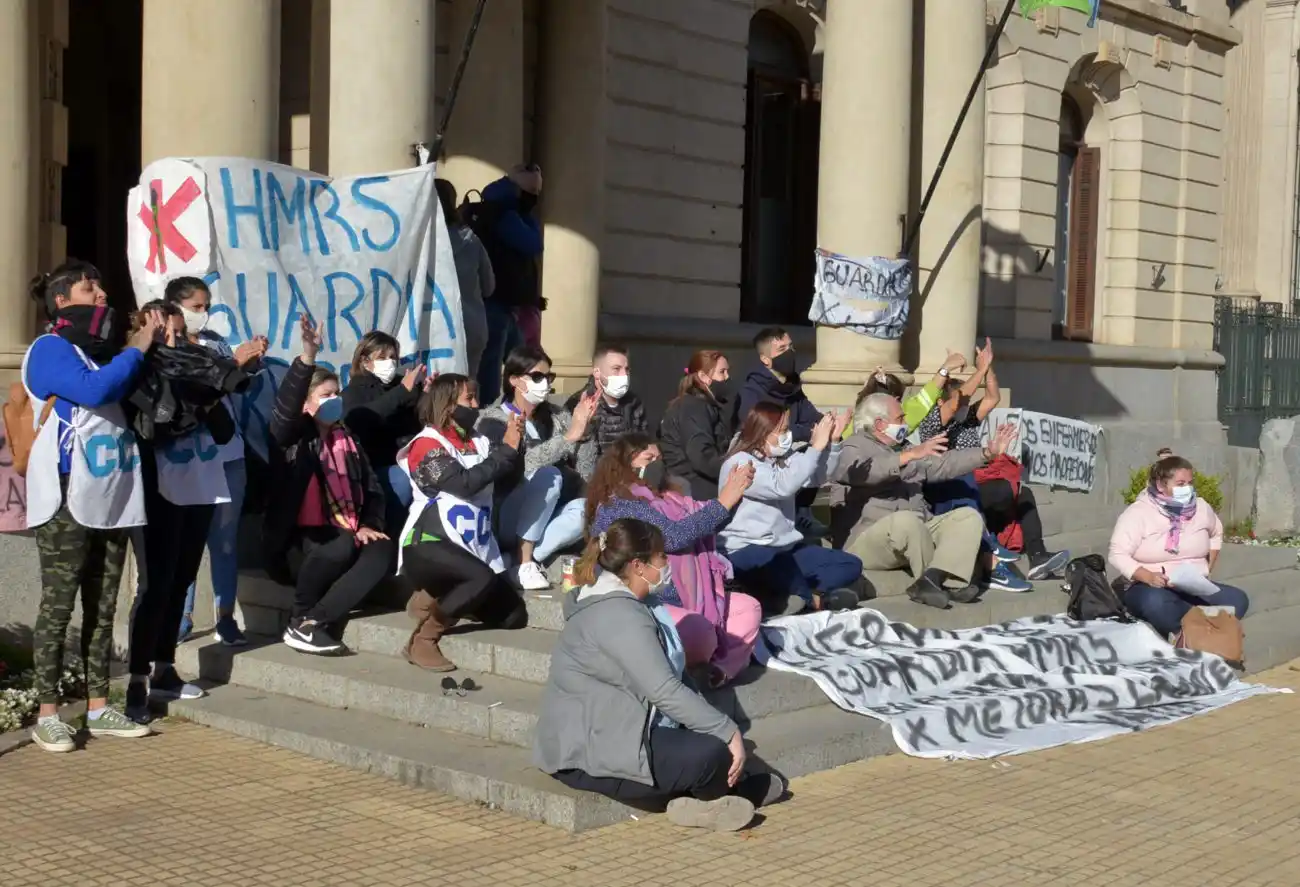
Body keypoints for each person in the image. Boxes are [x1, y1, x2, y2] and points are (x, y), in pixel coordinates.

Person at [533, 518, 784, 831]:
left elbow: (677, 677)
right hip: (584, 755)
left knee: (706, 741)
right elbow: (664, 689)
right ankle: (726, 796)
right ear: (638, 566)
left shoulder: (641, 603)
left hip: (620, 732)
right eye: (662, 558)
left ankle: (696, 803)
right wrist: (728, 731)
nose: (668, 565)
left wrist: (713, 726)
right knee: (712, 753)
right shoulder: (618, 614)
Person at [23, 261, 158, 751]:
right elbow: (94, 390)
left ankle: (100, 707)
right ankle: (48, 713)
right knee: (58, 608)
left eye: (99, 285)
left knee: (102, 610)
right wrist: (136, 349)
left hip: (112, 496)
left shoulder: (101, 352)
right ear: (62, 299)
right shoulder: (50, 349)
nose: (101, 293)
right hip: (66, 496)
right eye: (88, 286)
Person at [126, 300, 251, 723]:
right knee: (154, 585)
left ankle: (165, 668)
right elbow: (159, 422)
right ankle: (137, 680)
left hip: (201, 484)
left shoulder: (201, 371)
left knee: (181, 581)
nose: (176, 342)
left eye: (180, 334)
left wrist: (210, 391)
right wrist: (192, 389)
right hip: (158, 489)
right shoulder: (139, 371)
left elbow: (224, 431)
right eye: (166, 335)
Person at [586, 434, 762, 686]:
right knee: (700, 630)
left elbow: (707, 519)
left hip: (690, 600)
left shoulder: (670, 498)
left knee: (748, 609)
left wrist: (733, 493)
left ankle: (716, 671)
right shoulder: (619, 504)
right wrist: (724, 500)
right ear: (625, 462)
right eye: (650, 458)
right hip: (648, 601)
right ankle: (685, 668)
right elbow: (673, 536)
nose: (658, 464)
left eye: (660, 458)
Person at [265, 316, 395, 655]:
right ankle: (300, 612)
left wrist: (368, 524)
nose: (335, 399)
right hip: (301, 543)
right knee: (338, 545)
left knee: (380, 549)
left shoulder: (347, 438)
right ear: (307, 404)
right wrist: (308, 357)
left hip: (348, 532)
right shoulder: (293, 439)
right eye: (326, 395)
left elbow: (373, 489)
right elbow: (284, 412)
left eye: (337, 393)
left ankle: (311, 623)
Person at [829, 392, 1019, 610]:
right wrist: (907, 457)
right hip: (868, 540)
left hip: (915, 531)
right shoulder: (854, 445)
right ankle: (935, 582)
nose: (906, 422)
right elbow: (859, 472)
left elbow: (944, 463)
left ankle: (939, 580)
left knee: (967, 517)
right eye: (900, 418)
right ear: (880, 424)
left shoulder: (905, 446)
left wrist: (986, 453)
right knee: (906, 521)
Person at [397, 374, 529, 671]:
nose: (476, 404)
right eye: (468, 398)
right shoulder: (426, 444)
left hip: (473, 546)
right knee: (478, 578)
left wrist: (516, 445)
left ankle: (435, 597)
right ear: (446, 405)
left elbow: (505, 480)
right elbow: (463, 483)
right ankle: (424, 639)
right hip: (428, 542)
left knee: (513, 616)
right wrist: (505, 451)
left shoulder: (479, 442)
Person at [166, 275, 269, 647]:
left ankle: (226, 618)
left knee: (224, 543)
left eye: (206, 306)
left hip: (229, 455)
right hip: (187, 458)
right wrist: (231, 363)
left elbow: (236, 381)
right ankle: (182, 616)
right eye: (196, 307)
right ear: (174, 307)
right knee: (186, 541)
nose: (203, 314)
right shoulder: (167, 346)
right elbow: (198, 383)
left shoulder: (214, 342)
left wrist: (249, 362)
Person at [913, 339, 1034, 592]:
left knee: (1014, 490)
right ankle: (989, 554)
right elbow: (958, 400)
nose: (965, 406)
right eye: (961, 403)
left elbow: (993, 396)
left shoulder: (965, 420)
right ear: (941, 404)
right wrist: (977, 371)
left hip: (968, 485)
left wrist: (988, 367)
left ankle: (1026, 553)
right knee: (963, 481)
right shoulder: (931, 421)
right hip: (940, 488)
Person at [717, 404, 861, 616]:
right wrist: (815, 448)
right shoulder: (740, 462)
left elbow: (818, 477)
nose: (788, 435)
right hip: (745, 549)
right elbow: (782, 486)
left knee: (849, 564)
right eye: (782, 430)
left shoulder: (784, 456)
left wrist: (834, 441)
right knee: (772, 562)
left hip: (784, 549)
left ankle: (787, 595)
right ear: (763, 431)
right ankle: (808, 601)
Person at [476, 345, 598, 590]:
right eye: (537, 377)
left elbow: (586, 472)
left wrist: (585, 431)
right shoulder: (492, 419)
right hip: (506, 511)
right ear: (514, 380)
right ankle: (525, 560)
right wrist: (567, 439)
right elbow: (525, 464)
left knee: (589, 508)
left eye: (548, 377)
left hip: (548, 514)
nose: (545, 383)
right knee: (548, 476)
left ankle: (518, 562)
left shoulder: (556, 416)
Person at [1108, 452, 1249, 640]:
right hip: (1149, 586)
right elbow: (1117, 554)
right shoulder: (1138, 513)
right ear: (1161, 485)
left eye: (1190, 483)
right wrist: (1148, 576)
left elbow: (1216, 533)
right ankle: (1194, 629)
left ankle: (1191, 624)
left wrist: (1208, 566)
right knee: (1156, 604)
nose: (1188, 489)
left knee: (1237, 600)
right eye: (1181, 484)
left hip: (1192, 586)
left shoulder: (1201, 507)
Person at [734, 327, 826, 538]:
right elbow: (760, 430)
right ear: (765, 359)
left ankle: (803, 510)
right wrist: (808, 432)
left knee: (825, 446)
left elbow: (811, 415)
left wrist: (828, 424)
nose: (790, 352)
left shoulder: (792, 386)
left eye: (791, 346)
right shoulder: (752, 391)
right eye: (782, 348)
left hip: (789, 449)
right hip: (760, 456)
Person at [474, 164, 544, 402]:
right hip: (496, 300)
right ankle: (489, 408)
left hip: (504, 301)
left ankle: (524, 402)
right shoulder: (505, 214)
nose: (534, 200)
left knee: (518, 358)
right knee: (493, 363)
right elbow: (533, 243)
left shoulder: (504, 209)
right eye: (532, 194)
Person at [435, 178, 495, 379]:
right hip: (471, 326)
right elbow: (489, 287)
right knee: (466, 392)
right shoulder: (471, 240)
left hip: (433, 330)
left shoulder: (421, 243)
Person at [658, 349, 736, 501]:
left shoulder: (702, 405)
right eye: (722, 372)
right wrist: (732, 471)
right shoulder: (694, 407)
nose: (727, 377)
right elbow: (702, 455)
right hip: (693, 493)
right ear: (703, 376)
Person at [847, 349, 969, 436]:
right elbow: (925, 398)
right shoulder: (896, 424)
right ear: (896, 398)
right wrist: (945, 368)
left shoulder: (852, 420)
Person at [564, 343, 648, 461]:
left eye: (627, 369)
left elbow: (643, 441)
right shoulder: (579, 404)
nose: (624, 375)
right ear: (597, 373)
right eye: (616, 369)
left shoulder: (634, 403)